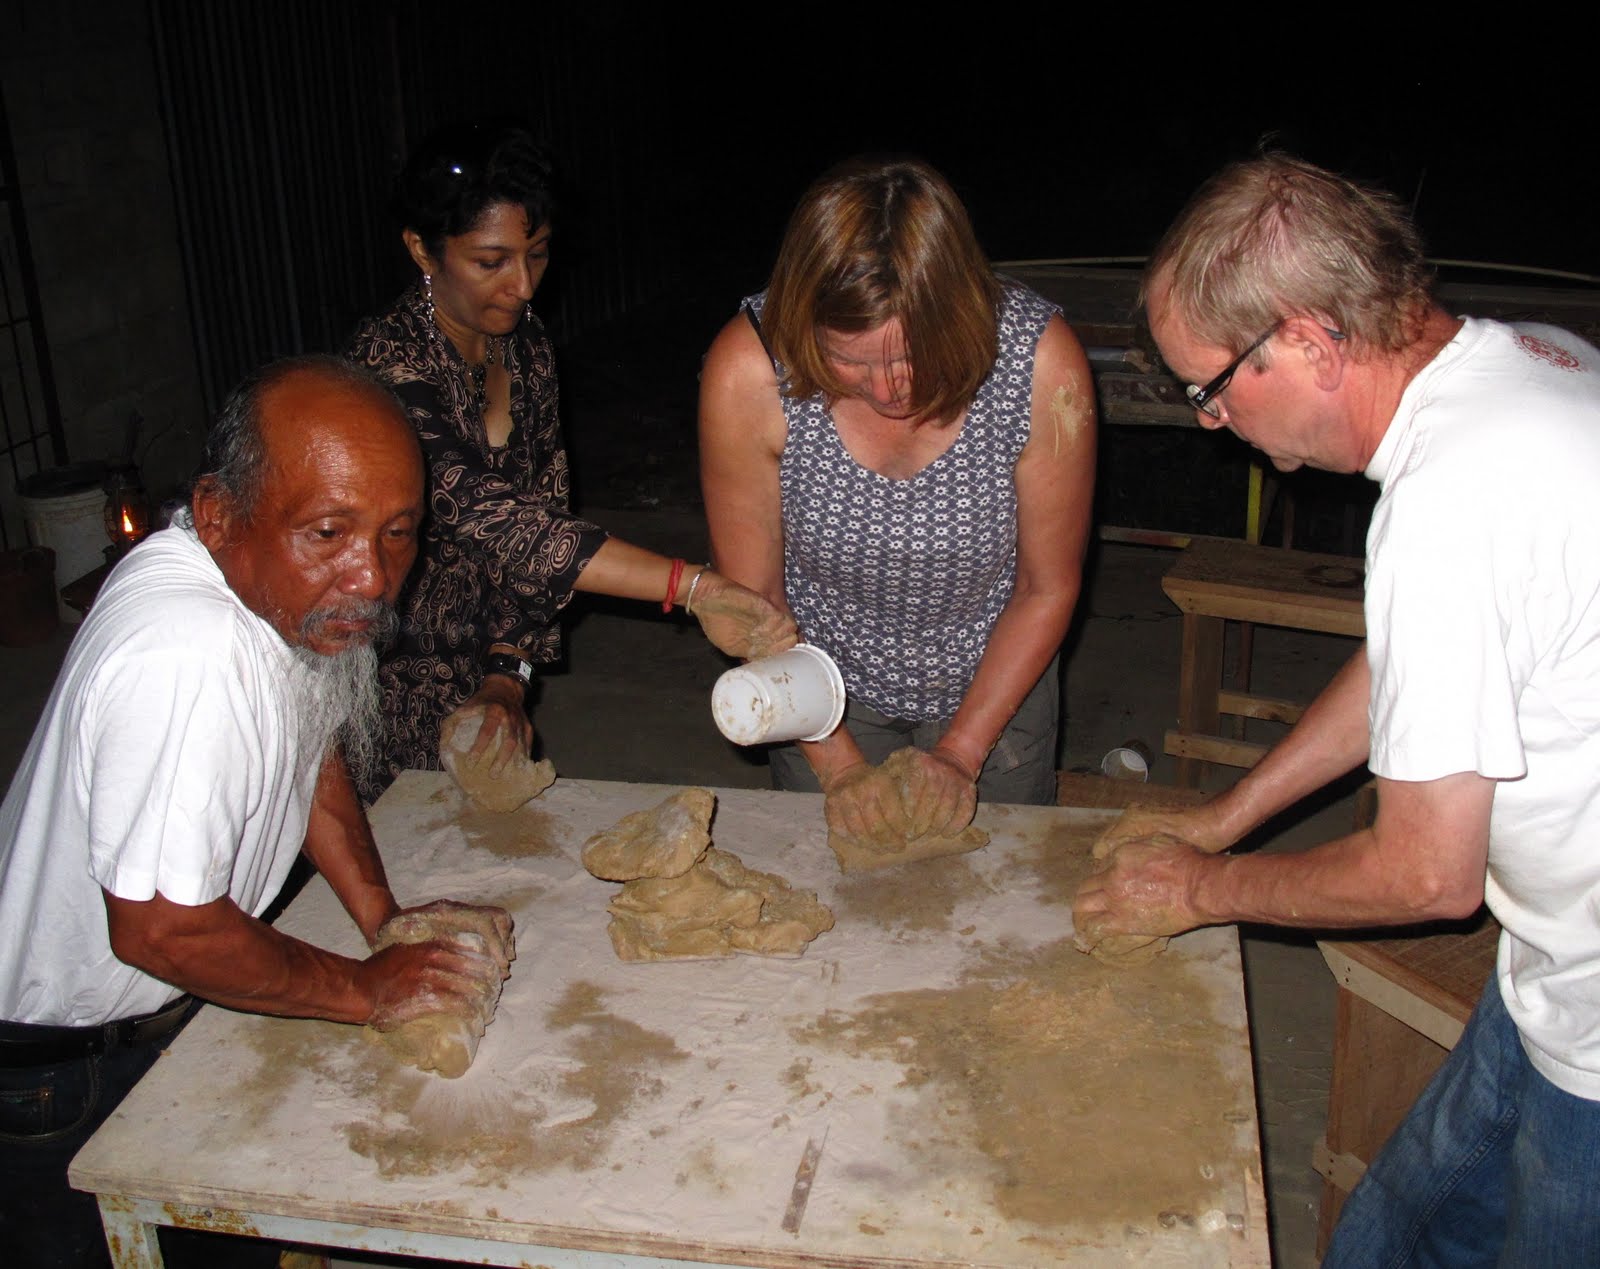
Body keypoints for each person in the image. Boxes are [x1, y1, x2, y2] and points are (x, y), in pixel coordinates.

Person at [1072, 154, 1600, 1264]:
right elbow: (1415, 663)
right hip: (1553, 968)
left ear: (1308, 343)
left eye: (1208, 387)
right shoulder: (1527, 365)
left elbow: (1424, 876)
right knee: (1387, 1239)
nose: (1208, 423)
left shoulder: (1451, 499)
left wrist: (1200, 890)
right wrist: (1222, 818)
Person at [0, 357, 515, 1269]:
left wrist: (381, 918)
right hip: (60, 1071)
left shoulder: (267, 589)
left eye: (399, 532)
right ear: (219, 513)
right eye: (329, 531)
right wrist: (366, 988)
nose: (370, 575)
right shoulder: (188, 656)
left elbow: (305, 748)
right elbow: (165, 930)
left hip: (145, 1022)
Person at [347, 120, 793, 803]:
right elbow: (498, 519)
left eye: (538, 254)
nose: (523, 286)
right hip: (385, 671)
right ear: (422, 249)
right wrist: (694, 586)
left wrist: (506, 672)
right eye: (490, 261)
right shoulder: (385, 365)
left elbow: (547, 503)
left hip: (483, 667)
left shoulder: (524, 345)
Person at [698, 156, 1096, 849]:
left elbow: (1046, 585)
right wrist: (839, 764)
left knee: (998, 899)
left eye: (915, 352)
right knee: (845, 895)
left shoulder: (1039, 363)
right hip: (816, 674)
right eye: (850, 360)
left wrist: (962, 752)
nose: (890, 389)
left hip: (995, 663)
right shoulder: (752, 369)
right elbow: (753, 608)